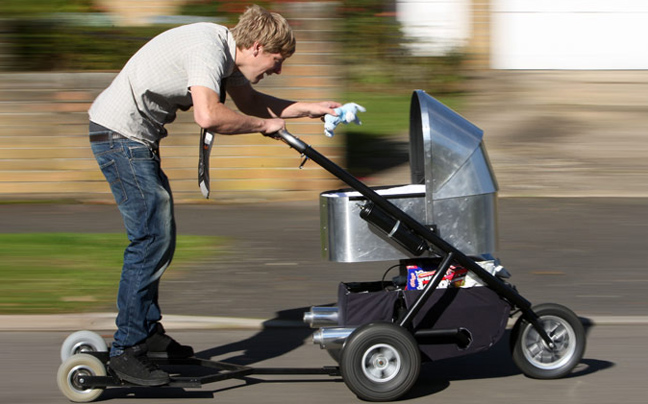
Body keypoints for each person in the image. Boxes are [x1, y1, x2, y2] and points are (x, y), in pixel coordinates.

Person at [87, 5, 341, 386]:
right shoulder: (207, 48)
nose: (278, 69)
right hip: (119, 139)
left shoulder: (225, 53)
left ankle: (147, 334)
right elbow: (209, 115)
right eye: (277, 59)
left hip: (130, 140)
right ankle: (128, 349)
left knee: (158, 237)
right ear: (256, 47)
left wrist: (309, 109)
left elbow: (250, 103)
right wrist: (263, 126)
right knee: (151, 239)